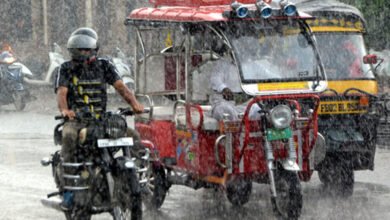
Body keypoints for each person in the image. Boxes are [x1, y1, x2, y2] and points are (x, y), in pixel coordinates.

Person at [54, 27, 144, 209]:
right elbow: (61, 93)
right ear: (73, 50)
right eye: (80, 49)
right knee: (69, 137)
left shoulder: (104, 65)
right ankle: (69, 188)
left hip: (101, 120)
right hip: (77, 120)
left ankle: (136, 178)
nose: (84, 53)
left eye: (87, 49)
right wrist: (65, 111)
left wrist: (135, 104)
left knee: (133, 137)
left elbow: (121, 88)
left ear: (95, 49)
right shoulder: (65, 69)